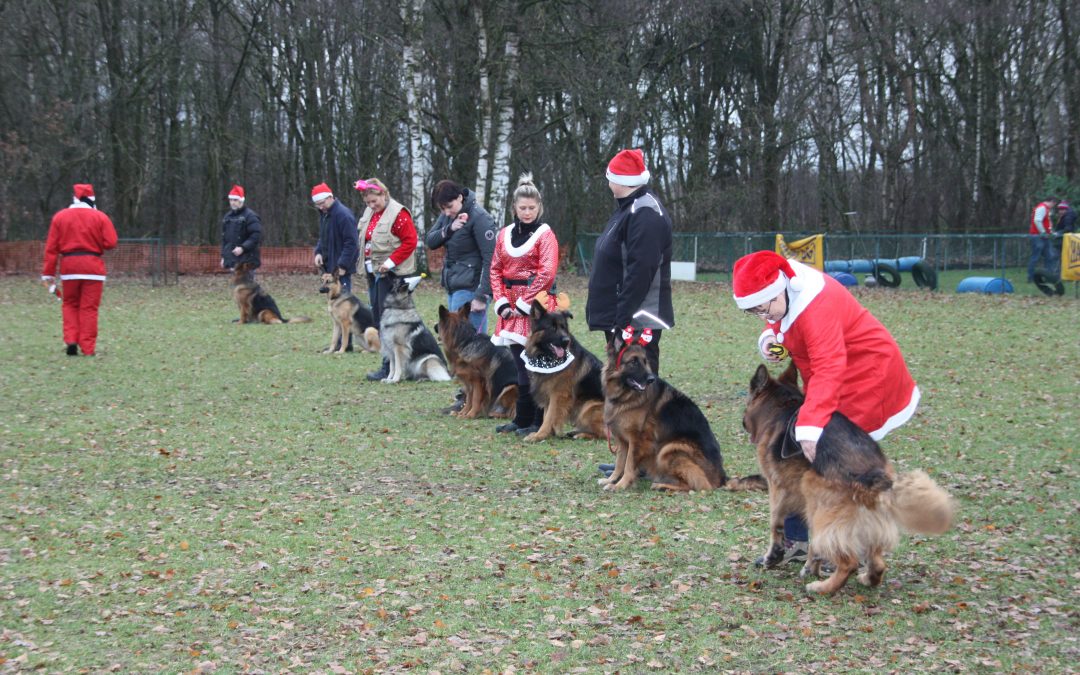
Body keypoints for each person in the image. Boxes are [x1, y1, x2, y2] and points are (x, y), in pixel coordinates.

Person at [731, 250, 921, 566]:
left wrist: (811, 426)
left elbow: (829, 365)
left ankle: (845, 547)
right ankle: (803, 542)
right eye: (755, 311)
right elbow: (781, 321)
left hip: (866, 379)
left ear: (778, 289)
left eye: (764, 307)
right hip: (833, 378)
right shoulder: (784, 293)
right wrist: (770, 338)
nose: (763, 313)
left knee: (841, 466)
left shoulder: (816, 306)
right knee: (805, 462)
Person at [585, 148, 673, 374]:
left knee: (638, 381)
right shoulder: (628, 209)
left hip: (637, 317)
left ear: (620, 181)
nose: (607, 183)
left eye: (609, 178)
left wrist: (622, 317)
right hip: (622, 313)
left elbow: (641, 270)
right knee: (621, 379)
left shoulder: (645, 213)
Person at [489, 173, 560, 435]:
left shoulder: (545, 234)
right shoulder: (504, 234)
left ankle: (540, 421)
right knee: (519, 364)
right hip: (510, 307)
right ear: (514, 208)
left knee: (538, 364)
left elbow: (547, 272)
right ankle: (522, 418)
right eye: (523, 208)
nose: (527, 212)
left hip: (536, 308)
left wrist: (523, 303)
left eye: (532, 208)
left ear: (539, 208)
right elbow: (495, 269)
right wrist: (502, 302)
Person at [40, 183, 119, 356]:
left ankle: (71, 340)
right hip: (93, 267)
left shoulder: (60, 217)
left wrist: (48, 273)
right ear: (92, 199)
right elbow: (111, 242)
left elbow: (51, 248)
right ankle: (88, 348)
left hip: (69, 267)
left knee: (69, 304)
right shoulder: (100, 217)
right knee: (89, 308)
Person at [354, 177, 419, 381]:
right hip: (373, 273)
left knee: (390, 320)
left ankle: (392, 365)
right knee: (379, 317)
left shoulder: (398, 214)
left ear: (384, 194)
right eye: (368, 203)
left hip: (392, 275)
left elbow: (410, 241)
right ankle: (390, 363)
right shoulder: (370, 213)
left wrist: (390, 262)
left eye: (375, 201)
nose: (372, 206)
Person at [425, 180, 498, 334]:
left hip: (471, 289)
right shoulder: (448, 216)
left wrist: (482, 295)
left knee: (472, 347)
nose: (446, 212)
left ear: (459, 197)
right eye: (442, 208)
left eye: (449, 206)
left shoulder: (480, 218)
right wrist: (449, 229)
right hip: (454, 285)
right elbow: (431, 241)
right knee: (457, 343)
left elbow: (491, 259)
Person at [312, 182, 359, 350]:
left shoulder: (343, 215)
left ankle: (346, 345)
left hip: (340, 270)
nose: (320, 207)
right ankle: (338, 343)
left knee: (344, 309)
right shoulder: (325, 215)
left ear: (330, 197)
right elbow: (323, 238)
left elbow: (351, 243)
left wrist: (343, 264)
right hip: (329, 266)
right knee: (335, 308)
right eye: (317, 204)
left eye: (322, 203)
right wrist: (318, 252)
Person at [220, 184, 262, 275]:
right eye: (231, 200)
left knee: (246, 287)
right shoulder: (227, 217)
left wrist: (243, 248)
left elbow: (256, 236)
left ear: (241, 201)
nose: (232, 202)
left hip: (247, 259)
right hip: (232, 260)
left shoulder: (251, 216)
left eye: (235, 200)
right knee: (237, 287)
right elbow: (225, 239)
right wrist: (224, 256)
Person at [1028, 197, 1057, 282]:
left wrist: (1050, 231)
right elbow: (1037, 221)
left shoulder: (1045, 208)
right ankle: (1031, 277)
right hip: (1038, 236)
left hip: (1043, 236)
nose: (1053, 206)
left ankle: (1049, 277)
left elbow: (1046, 222)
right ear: (1052, 202)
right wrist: (1043, 232)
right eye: (1054, 204)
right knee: (1035, 257)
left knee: (1049, 256)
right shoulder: (1042, 208)